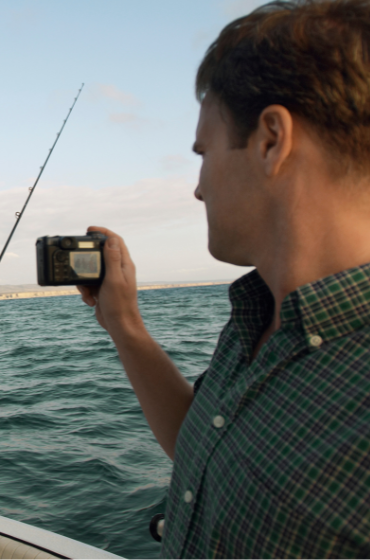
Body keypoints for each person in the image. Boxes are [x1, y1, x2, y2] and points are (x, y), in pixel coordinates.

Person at [79, 1, 370, 557]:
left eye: (203, 152)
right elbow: (205, 445)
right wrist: (124, 325)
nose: (197, 188)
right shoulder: (257, 317)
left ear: (270, 141)